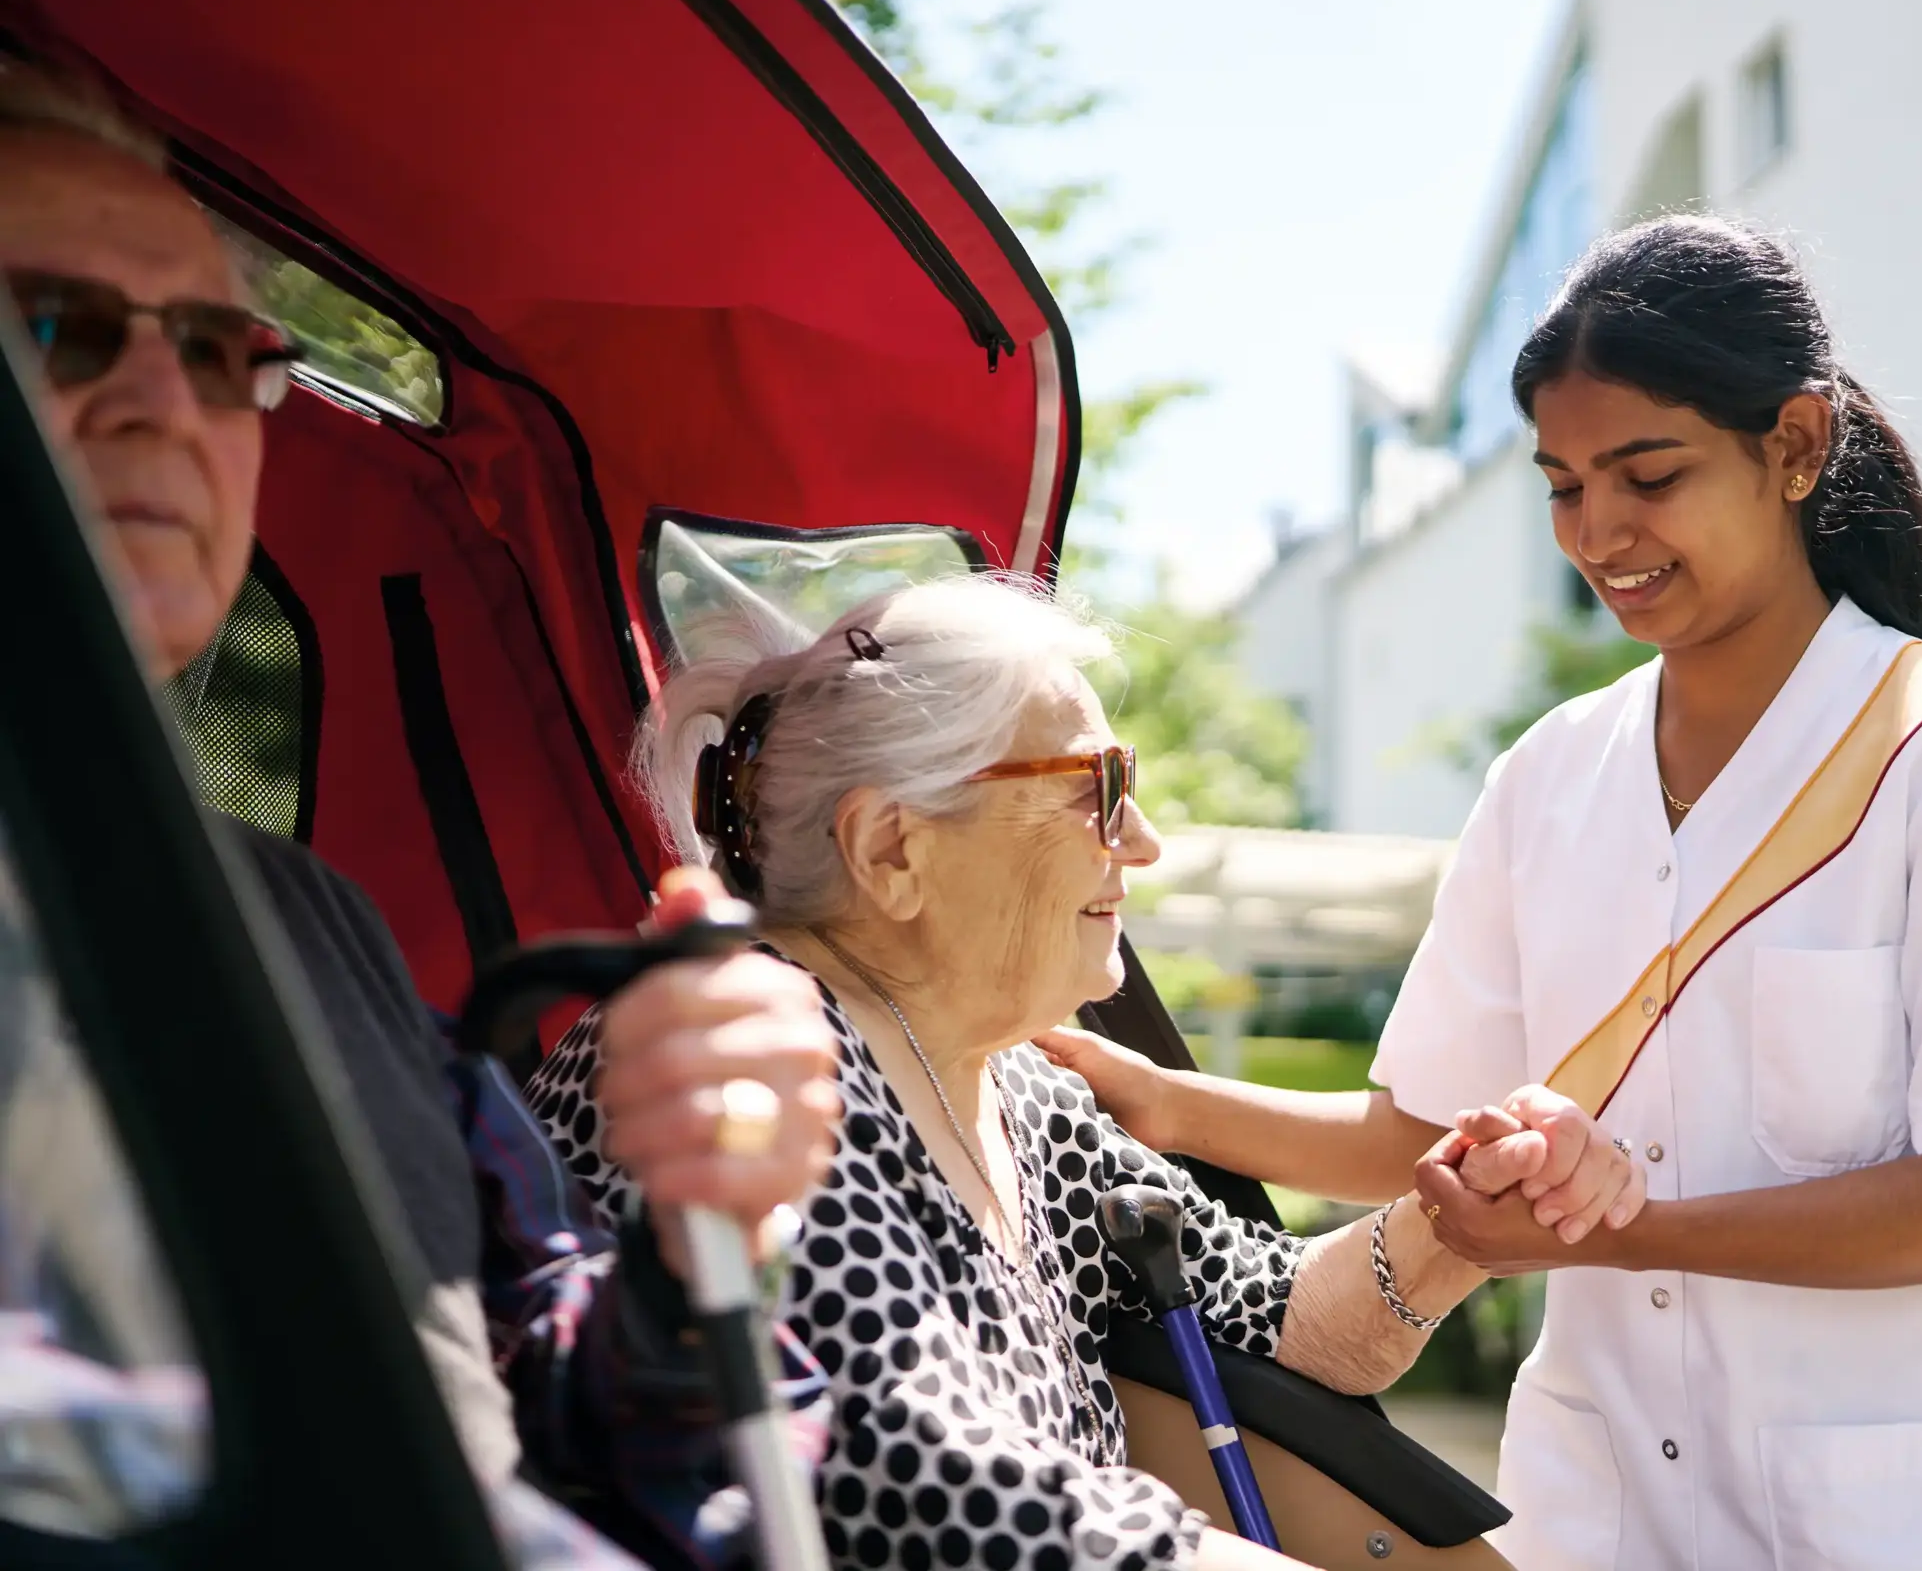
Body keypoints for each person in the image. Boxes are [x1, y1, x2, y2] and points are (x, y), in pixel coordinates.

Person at [1051, 215, 1922, 1570]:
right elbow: (1414, 1128)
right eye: (1563, 485)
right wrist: (1161, 1102)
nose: (1599, 532)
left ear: (1795, 445)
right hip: (1600, 1512)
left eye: (1649, 474)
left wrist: (1623, 1231)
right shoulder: (1548, 776)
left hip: (1895, 1525)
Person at [0, 53, 844, 1568]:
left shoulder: (308, 915)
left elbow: (545, 1385)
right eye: (54, 328)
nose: (164, 405)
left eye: (217, 353)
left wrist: (697, 1251)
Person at [527, 576, 1642, 1571]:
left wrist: (1456, 1216)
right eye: (1097, 786)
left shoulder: (1021, 1090)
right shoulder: (746, 1059)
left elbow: (1278, 1318)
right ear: (892, 849)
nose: (1142, 839)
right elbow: (939, 1500)